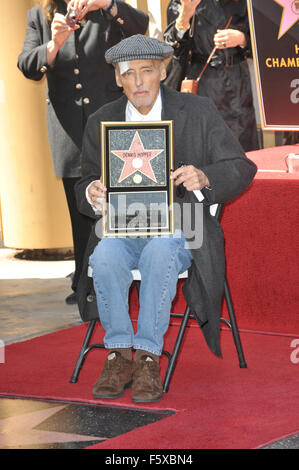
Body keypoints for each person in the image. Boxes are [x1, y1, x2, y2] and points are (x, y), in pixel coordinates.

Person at [75, 34, 257, 403]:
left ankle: (146, 358)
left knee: (160, 253)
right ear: (117, 78)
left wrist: (205, 176)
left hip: (182, 223)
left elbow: (242, 166)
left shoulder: (198, 110)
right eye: (129, 73)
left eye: (147, 71)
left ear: (162, 70)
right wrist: (91, 190)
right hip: (120, 227)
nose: (139, 82)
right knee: (106, 258)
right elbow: (84, 180)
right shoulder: (101, 120)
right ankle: (118, 353)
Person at [17, 0, 149, 304]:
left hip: (110, 126)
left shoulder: (105, 8)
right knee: (81, 209)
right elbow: (27, 65)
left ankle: (131, 278)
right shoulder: (39, 15)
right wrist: (54, 44)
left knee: (123, 205)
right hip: (68, 130)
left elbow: (139, 26)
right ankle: (84, 281)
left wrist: (110, 4)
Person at [164, 0, 259, 152]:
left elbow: (267, 41)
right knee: (206, 140)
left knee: (243, 142)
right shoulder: (182, 2)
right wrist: (184, 16)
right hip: (203, 81)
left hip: (238, 81)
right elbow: (173, 48)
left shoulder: (245, 2)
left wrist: (242, 39)